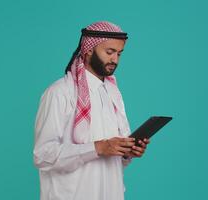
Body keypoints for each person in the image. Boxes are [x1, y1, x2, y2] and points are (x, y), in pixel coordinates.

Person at [33, 21, 150, 200]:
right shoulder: (60, 92)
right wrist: (97, 148)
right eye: (109, 52)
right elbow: (43, 156)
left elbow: (114, 156)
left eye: (119, 53)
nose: (115, 60)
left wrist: (127, 152)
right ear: (88, 50)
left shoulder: (113, 93)